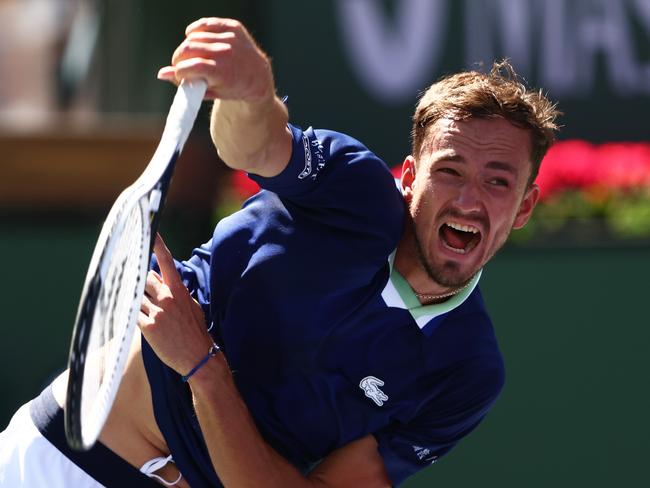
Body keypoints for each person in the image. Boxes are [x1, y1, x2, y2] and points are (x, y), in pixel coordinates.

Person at [0, 17, 560, 487]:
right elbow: (258, 144)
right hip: (55, 464)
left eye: (497, 182)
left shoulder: (467, 370)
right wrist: (251, 93)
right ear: (410, 177)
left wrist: (203, 368)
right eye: (451, 170)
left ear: (526, 206)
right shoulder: (355, 188)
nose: (468, 198)